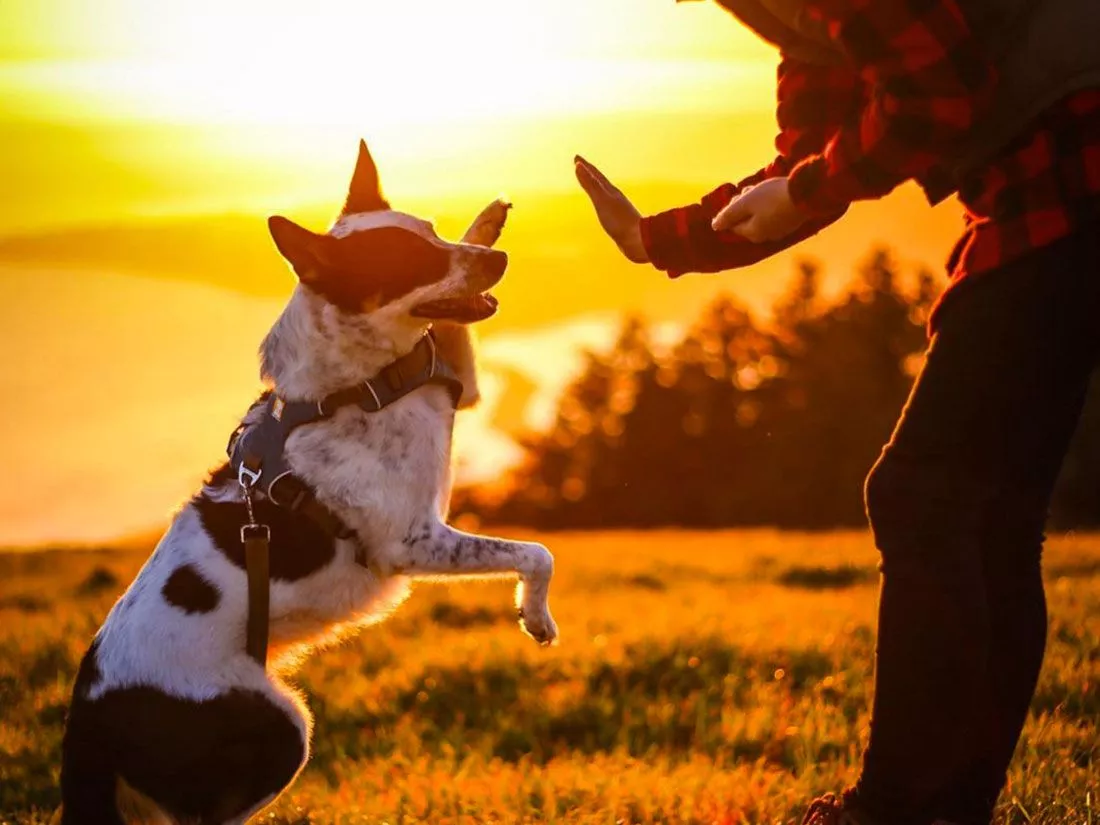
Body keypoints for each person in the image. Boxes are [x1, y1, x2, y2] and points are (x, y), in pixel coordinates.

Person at [574, 1, 1100, 823]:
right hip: (1044, 198)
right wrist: (659, 240)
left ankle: (895, 810)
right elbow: (811, 161)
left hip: (1071, 188)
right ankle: (948, 807)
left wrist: (804, 190)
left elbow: (936, 96)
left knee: (924, 498)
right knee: (988, 517)